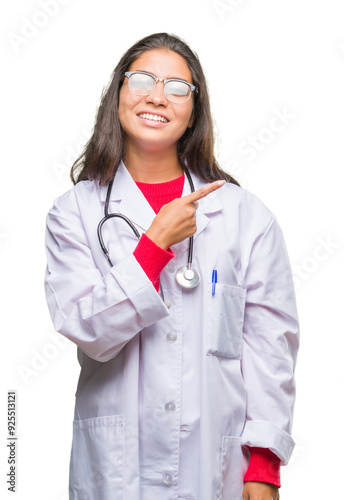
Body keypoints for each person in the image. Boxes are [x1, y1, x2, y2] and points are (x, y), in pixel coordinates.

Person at [44, 32, 299, 500]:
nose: (158, 96)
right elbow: (86, 328)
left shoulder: (245, 215)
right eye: (142, 79)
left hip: (216, 462)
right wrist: (154, 245)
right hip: (118, 467)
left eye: (178, 87)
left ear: (194, 111)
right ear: (117, 94)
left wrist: (264, 464)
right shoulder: (74, 211)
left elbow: (269, 346)